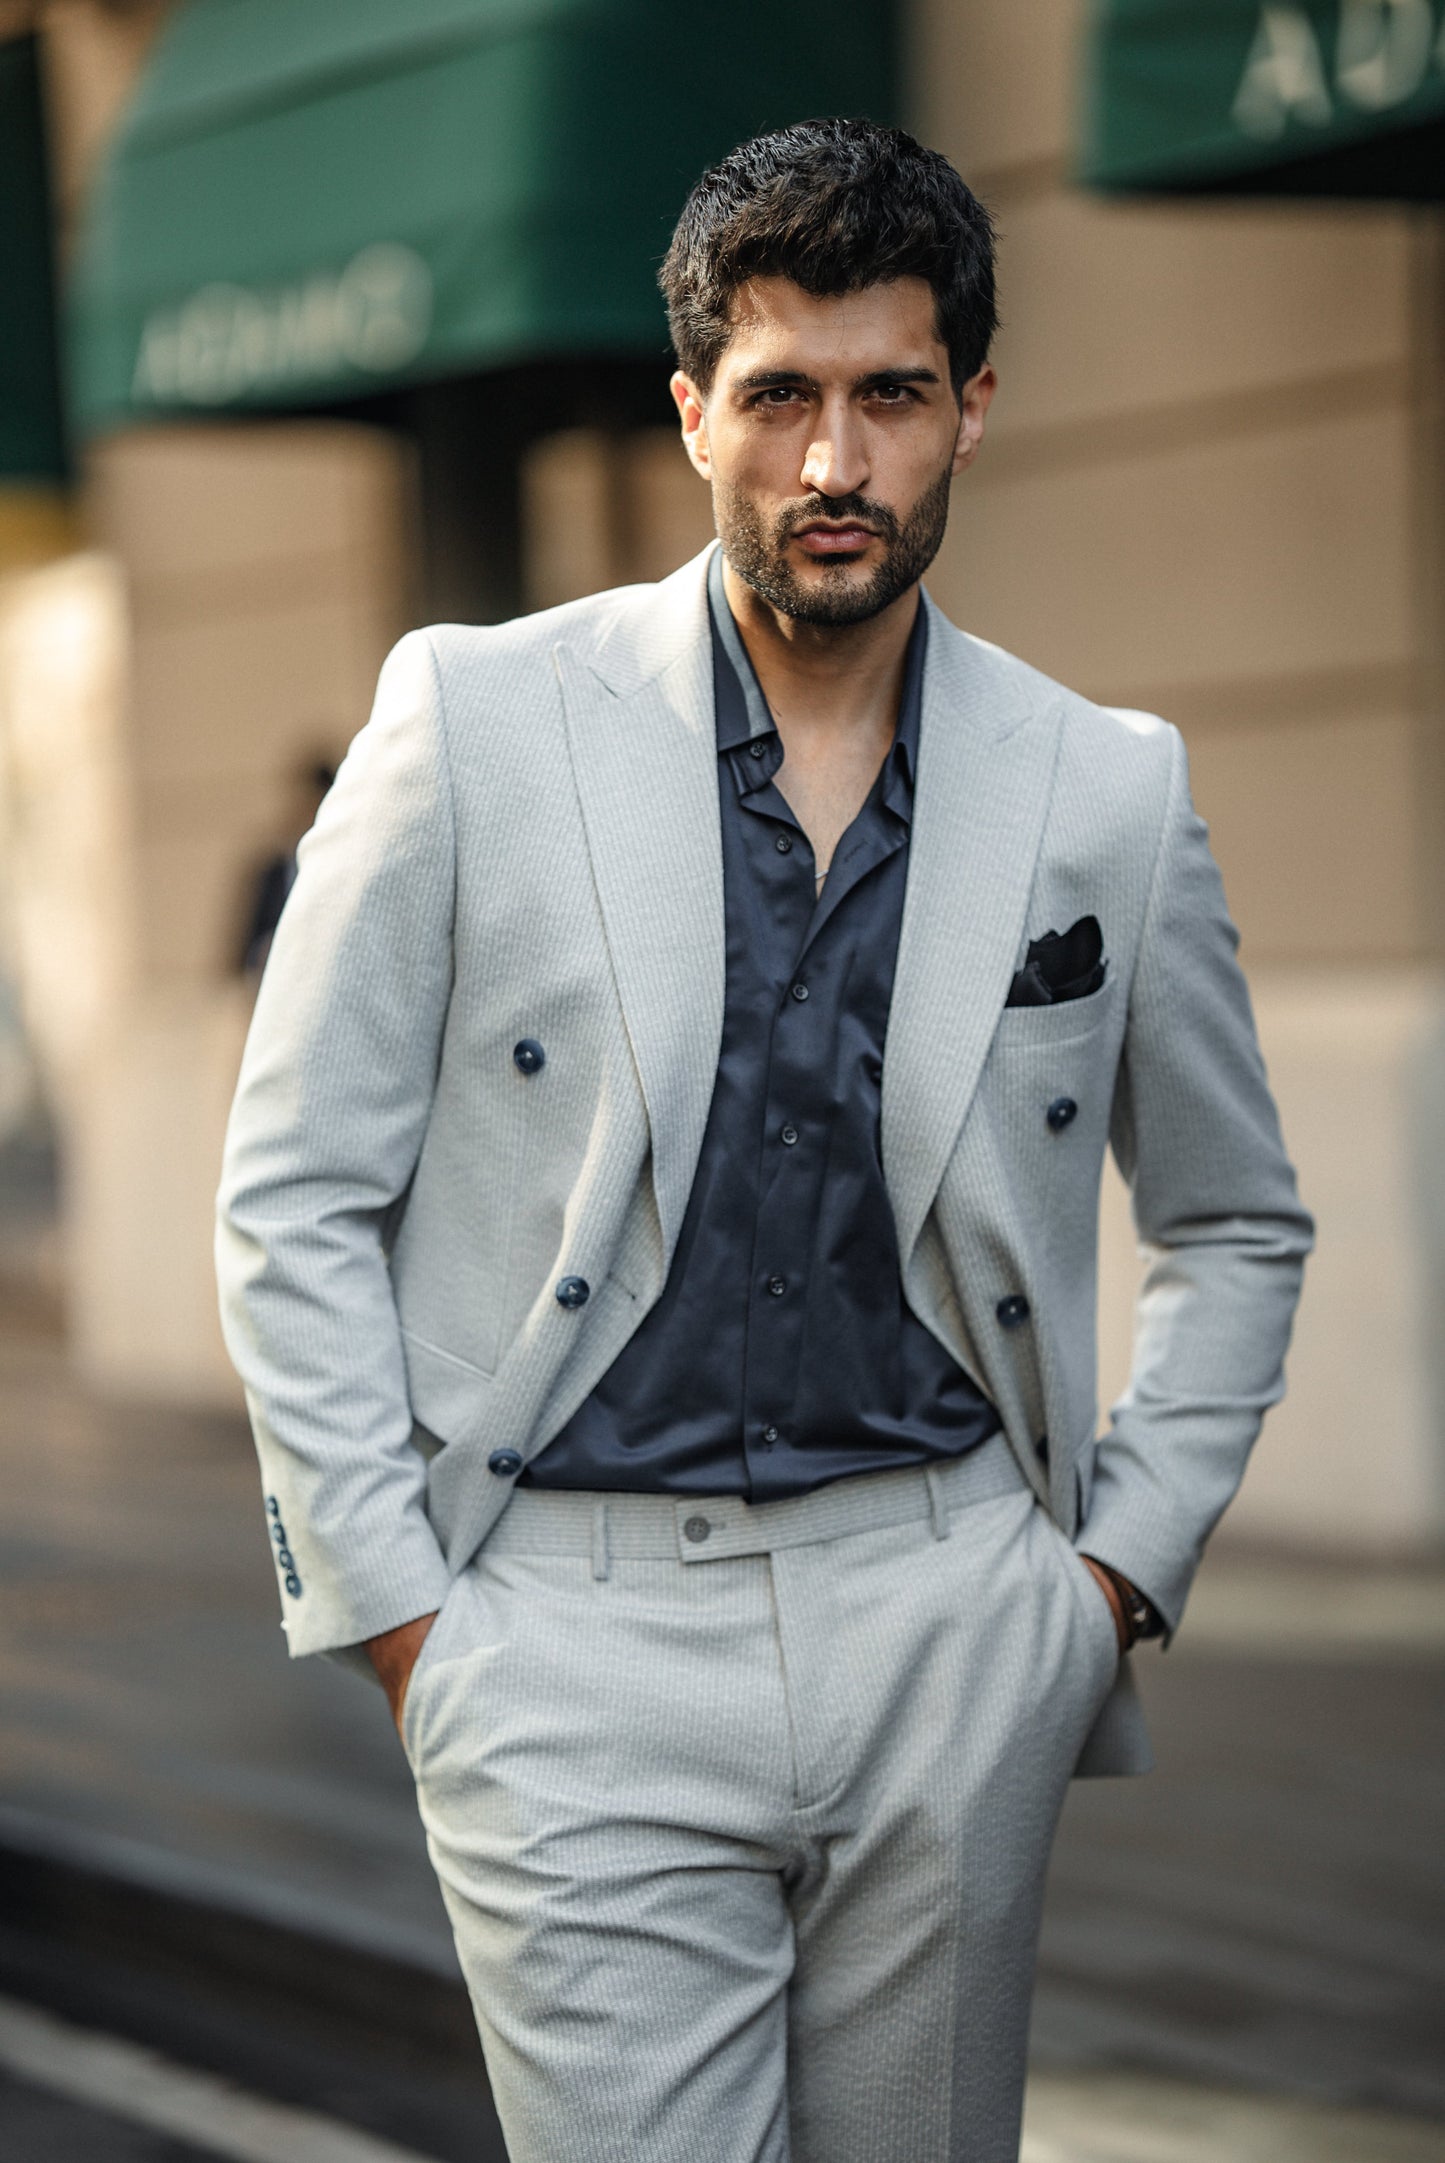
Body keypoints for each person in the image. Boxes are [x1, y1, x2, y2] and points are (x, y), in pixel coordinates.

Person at [216, 119, 1312, 2163]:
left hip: (954, 1617)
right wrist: (408, 1627)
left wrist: (1100, 1590)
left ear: (970, 410)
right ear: (693, 409)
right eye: (782, 396)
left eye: (891, 394)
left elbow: (1240, 1220)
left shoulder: (1107, 789)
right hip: (566, 1633)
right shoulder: (471, 720)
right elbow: (292, 1193)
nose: (835, 463)